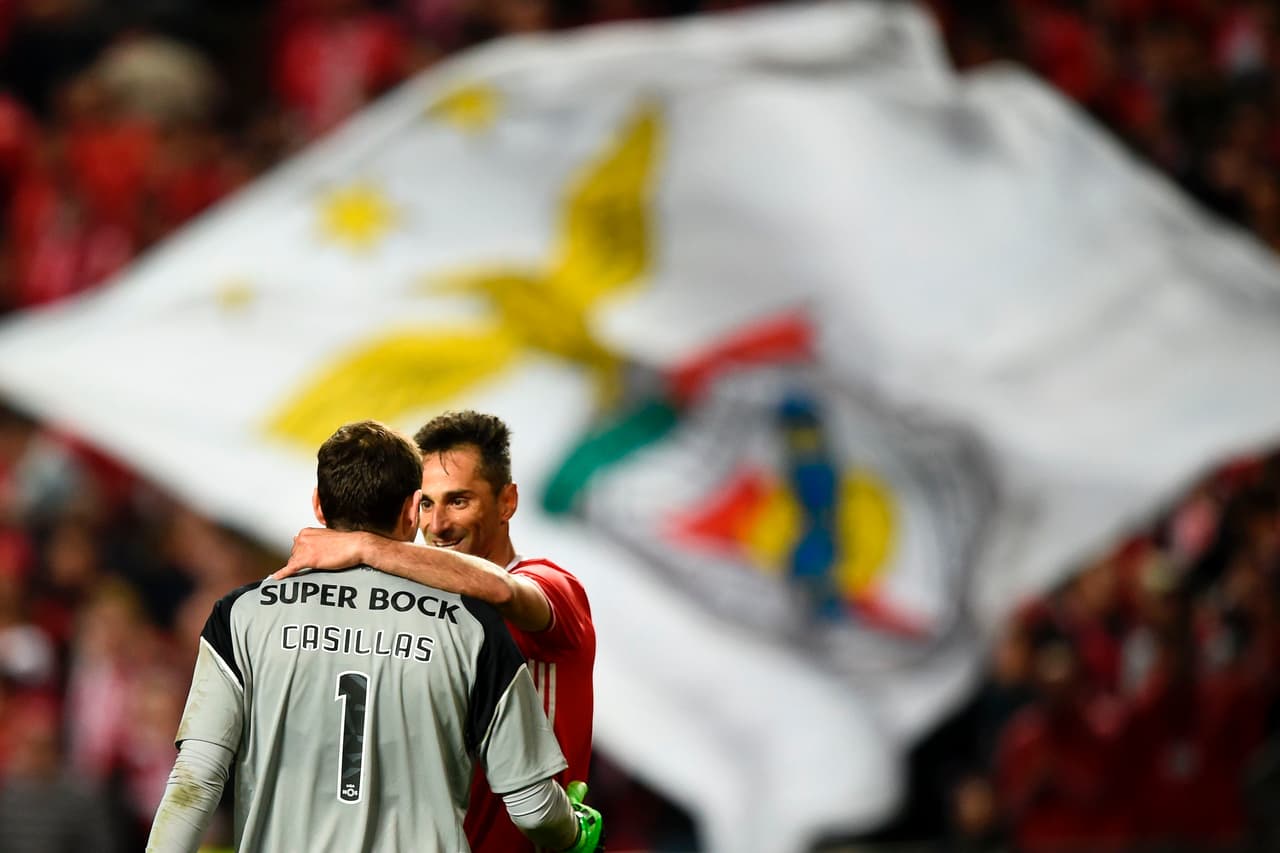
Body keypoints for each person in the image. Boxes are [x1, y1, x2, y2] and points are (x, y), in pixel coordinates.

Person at [146, 420, 601, 853]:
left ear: (319, 505)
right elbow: (534, 810)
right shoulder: (472, 628)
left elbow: (195, 779)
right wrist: (575, 830)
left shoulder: (241, 615)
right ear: (411, 511)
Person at [275, 410, 596, 853]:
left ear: (506, 501)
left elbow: (500, 590)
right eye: (426, 504)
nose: (438, 525)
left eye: (458, 501)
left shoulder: (553, 586)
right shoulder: (414, 614)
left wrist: (365, 545)